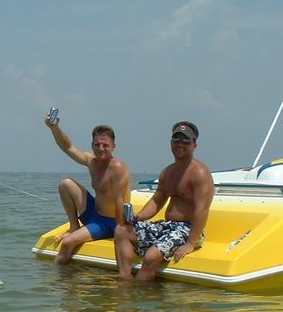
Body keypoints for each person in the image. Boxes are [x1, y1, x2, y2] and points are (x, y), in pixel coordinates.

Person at [114, 121, 214, 281]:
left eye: (185, 140)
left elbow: (201, 210)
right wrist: (137, 217)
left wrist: (190, 243)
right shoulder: (167, 172)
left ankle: (139, 291)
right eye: (176, 139)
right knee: (121, 231)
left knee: (150, 257)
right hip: (167, 226)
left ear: (194, 145)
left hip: (188, 229)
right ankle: (124, 280)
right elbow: (156, 201)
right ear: (171, 142)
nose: (180, 144)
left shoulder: (200, 173)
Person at [45, 113, 131, 264]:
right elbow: (68, 147)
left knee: (67, 243)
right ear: (92, 146)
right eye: (97, 145)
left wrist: (120, 233)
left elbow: (120, 202)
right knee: (65, 184)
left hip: (109, 222)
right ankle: (74, 226)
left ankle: (58, 277)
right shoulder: (91, 161)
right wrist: (54, 128)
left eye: (105, 145)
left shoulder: (117, 168)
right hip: (94, 213)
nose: (101, 148)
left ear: (113, 147)